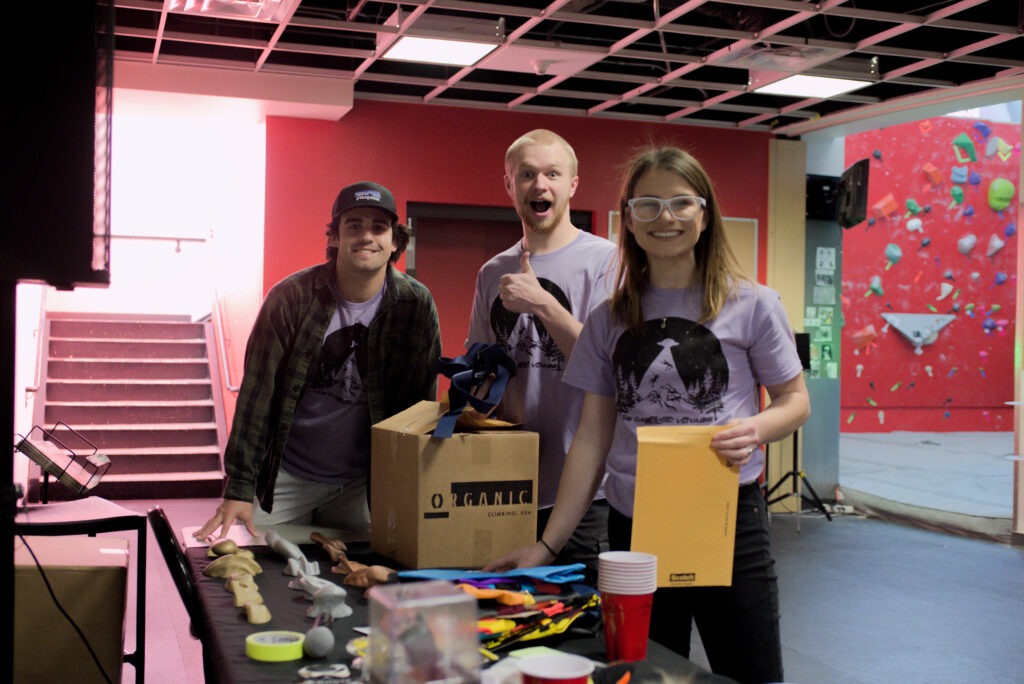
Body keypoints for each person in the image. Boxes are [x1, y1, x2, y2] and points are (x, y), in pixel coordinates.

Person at [486, 146, 810, 684]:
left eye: (681, 203)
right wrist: (547, 545)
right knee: (646, 673)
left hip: (728, 520)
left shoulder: (752, 303)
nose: (666, 218)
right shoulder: (609, 318)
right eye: (648, 205)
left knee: (751, 673)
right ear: (629, 221)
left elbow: (796, 400)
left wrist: (758, 428)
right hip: (636, 528)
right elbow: (590, 440)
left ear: (704, 215)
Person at [196, 181, 441, 543]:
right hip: (286, 477)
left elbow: (421, 405)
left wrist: (412, 489)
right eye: (353, 225)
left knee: (356, 582)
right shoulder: (290, 298)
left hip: (362, 484)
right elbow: (257, 395)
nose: (366, 237)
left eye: (378, 227)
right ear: (336, 237)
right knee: (262, 578)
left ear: (395, 242)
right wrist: (240, 486)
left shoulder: (416, 305)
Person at [466, 129, 618, 580]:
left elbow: (610, 374)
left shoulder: (608, 262)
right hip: (508, 488)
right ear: (509, 185)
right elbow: (481, 375)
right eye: (527, 174)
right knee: (509, 623)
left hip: (587, 492)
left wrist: (543, 304)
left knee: (582, 630)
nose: (540, 184)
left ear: (573, 184)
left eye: (553, 173)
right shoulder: (493, 271)